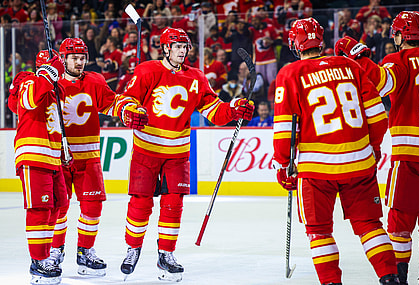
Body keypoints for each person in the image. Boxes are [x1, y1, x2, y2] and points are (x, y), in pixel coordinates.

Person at [117, 27, 254, 282]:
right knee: (140, 202)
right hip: (146, 151)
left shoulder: (197, 77)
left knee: (173, 205)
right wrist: (129, 112)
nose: (182, 51)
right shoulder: (147, 70)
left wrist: (234, 109)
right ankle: (132, 248)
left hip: (178, 153)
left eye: (185, 47)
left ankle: (165, 253)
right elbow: (126, 100)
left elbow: (214, 110)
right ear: (166, 48)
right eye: (177, 46)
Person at [273, 18, 399, 285]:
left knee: (318, 231)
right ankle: (391, 279)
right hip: (359, 163)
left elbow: (284, 129)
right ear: (321, 39)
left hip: (316, 170)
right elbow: (378, 116)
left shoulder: (290, 73)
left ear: (296, 44)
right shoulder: (351, 66)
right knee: (370, 226)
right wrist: (372, 148)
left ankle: (332, 282)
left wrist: (282, 164)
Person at [337, 11, 419, 285]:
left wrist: (359, 56)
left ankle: (400, 277)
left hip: (410, 155)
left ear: (400, 36)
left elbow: (381, 82)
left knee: (400, 222)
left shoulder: (399, 59)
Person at [48, 37, 147, 277]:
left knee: (92, 207)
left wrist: (127, 110)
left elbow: (112, 102)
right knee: (58, 208)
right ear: (63, 59)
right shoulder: (50, 83)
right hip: (58, 157)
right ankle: (55, 251)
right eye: (75, 58)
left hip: (88, 156)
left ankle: (85, 251)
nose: (80, 62)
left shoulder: (94, 80)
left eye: (83, 58)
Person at [8, 50, 67, 285]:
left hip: (53, 156)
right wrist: (47, 73)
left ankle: (44, 254)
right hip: (34, 152)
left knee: (59, 205)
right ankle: (38, 260)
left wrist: (65, 150)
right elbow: (27, 101)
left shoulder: (54, 89)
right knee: (40, 208)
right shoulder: (29, 80)